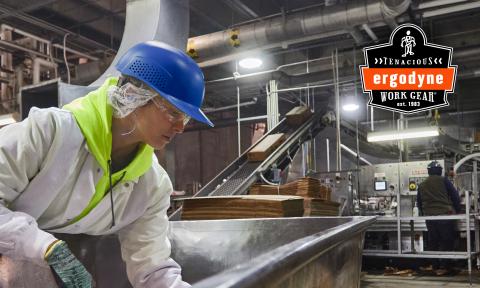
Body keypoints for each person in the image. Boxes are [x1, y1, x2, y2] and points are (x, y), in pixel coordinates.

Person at [0, 41, 213, 288]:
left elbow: (153, 269)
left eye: (185, 118)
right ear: (134, 96)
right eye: (174, 113)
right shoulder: (49, 133)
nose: (181, 127)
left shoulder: (152, 185)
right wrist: (44, 247)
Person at [417, 160, 461, 276]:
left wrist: (424, 213)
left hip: (430, 218)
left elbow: (419, 203)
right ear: (440, 170)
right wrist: (459, 211)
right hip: (444, 216)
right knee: (447, 241)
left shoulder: (422, 184)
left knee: (433, 241)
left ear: (429, 171)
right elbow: (455, 196)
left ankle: (435, 265)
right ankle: (445, 266)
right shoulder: (444, 181)